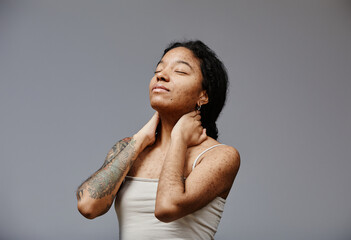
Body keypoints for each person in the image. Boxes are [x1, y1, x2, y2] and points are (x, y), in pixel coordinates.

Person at [76, 40, 240, 239]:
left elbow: (167, 208)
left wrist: (178, 138)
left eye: (180, 71)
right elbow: (88, 206)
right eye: (157, 71)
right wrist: (139, 139)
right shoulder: (129, 148)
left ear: (203, 96)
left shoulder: (220, 156)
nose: (161, 75)